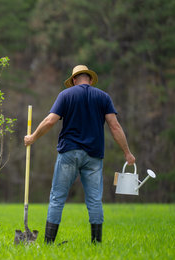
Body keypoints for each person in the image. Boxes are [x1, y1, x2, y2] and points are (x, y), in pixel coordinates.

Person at [24, 65, 135, 244]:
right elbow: (115, 127)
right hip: (94, 156)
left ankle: (48, 243)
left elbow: (50, 120)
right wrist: (127, 153)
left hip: (69, 152)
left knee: (57, 197)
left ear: (74, 80)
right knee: (94, 200)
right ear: (90, 80)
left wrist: (33, 137)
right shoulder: (103, 97)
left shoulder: (65, 95)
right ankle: (96, 243)